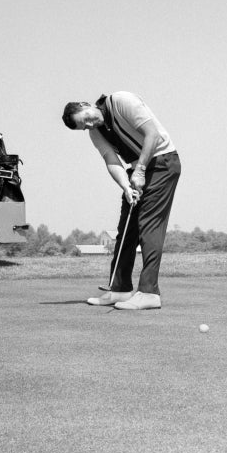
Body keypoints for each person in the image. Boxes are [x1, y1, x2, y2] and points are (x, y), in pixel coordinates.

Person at [62, 91, 181, 310]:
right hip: (137, 169)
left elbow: (152, 135)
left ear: (85, 104)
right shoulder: (95, 132)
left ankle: (149, 293)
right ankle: (120, 289)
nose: (89, 124)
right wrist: (126, 186)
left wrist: (141, 170)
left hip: (163, 162)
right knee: (126, 230)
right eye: (84, 126)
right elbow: (110, 159)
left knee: (149, 226)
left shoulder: (121, 101)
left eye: (86, 118)